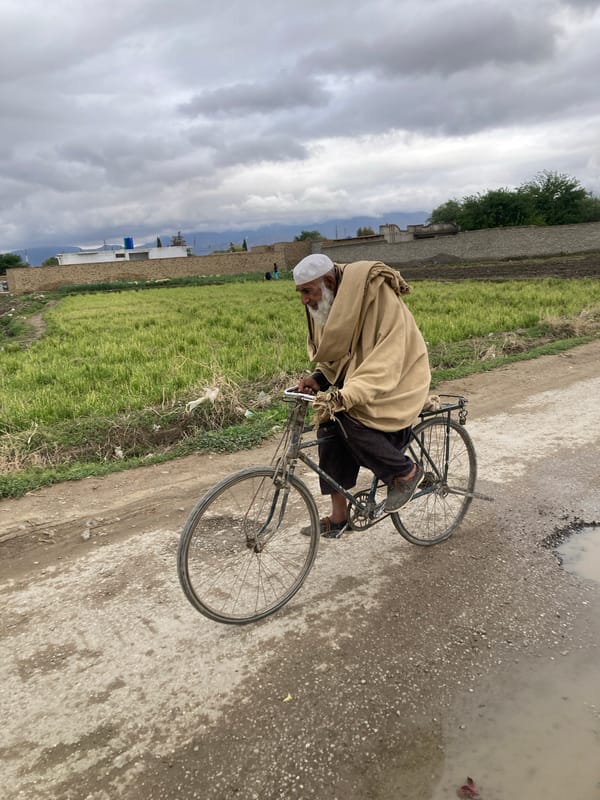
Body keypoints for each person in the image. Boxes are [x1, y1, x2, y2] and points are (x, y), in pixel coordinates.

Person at [293, 253, 431, 538]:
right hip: (363, 382)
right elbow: (342, 351)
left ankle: (405, 473)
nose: (304, 300)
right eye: (301, 293)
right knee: (328, 426)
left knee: (347, 418)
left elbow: (390, 355)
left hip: (398, 382)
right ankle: (339, 515)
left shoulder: (374, 293)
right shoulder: (334, 300)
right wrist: (319, 379)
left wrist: (348, 395)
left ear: (328, 281)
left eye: (307, 291)